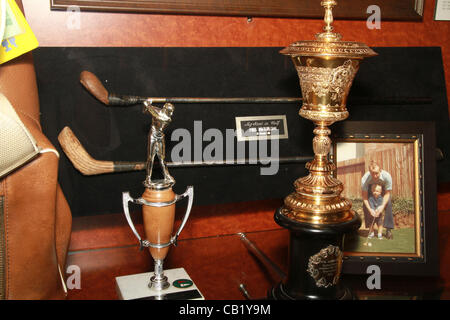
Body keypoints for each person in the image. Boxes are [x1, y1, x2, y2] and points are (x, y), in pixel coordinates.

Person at [143, 100, 175, 188]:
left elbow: (157, 117)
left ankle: (167, 176)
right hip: (152, 136)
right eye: (170, 111)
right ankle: (148, 178)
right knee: (151, 158)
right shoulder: (156, 110)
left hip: (160, 137)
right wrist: (146, 105)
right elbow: (144, 111)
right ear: (165, 109)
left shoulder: (167, 119)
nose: (171, 114)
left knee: (162, 158)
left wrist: (148, 106)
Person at [361, 161, 394, 239]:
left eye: (376, 173)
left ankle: (388, 230)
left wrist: (382, 206)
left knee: (388, 203)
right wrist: (370, 209)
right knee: (366, 206)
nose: (375, 176)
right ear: (369, 172)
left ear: (380, 170)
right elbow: (365, 197)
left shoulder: (387, 176)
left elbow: (387, 194)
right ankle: (370, 230)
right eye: (372, 173)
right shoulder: (365, 179)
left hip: (382, 191)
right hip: (370, 191)